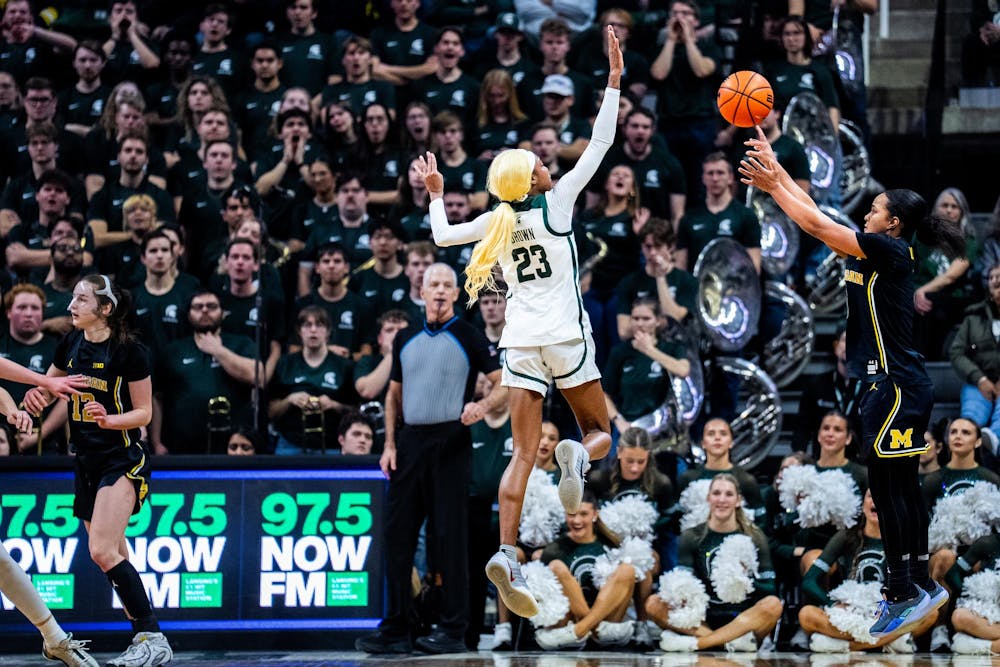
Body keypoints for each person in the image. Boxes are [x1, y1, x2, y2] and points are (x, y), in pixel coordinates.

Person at [413, 25, 623, 620]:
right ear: (533, 181)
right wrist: (611, 79)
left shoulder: (496, 222)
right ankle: (580, 457)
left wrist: (436, 190)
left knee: (522, 456)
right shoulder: (557, 205)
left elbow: (441, 234)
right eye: (539, 163)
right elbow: (601, 143)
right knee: (596, 432)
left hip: (519, 344)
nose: (547, 163)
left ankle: (506, 553)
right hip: (566, 339)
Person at [740, 126, 967, 635]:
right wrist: (777, 170)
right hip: (894, 385)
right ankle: (916, 582)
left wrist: (773, 185)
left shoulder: (888, 252)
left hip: (895, 385)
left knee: (889, 491)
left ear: (894, 224)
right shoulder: (879, 249)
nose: (866, 214)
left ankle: (901, 589)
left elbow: (819, 227)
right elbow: (819, 215)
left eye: (874, 210)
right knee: (898, 488)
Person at [354, 263, 505, 654]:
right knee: (397, 537)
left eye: (446, 286)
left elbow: (505, 382)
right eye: (433, 284)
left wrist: (482, 405)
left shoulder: (468, 335)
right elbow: (393, 394)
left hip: (450, 441)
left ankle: (453, 629)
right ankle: (396, 628)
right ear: (421, 291)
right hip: (409, 443)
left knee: (448, 538)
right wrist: (389, 445)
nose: (439, 291)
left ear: (456, 294)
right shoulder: (404, 337)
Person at [23, 274, 173, 666]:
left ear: (105, 309)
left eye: (81, 300)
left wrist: (109, 420)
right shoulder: (70, 342)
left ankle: (153, 638)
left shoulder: (130, 350)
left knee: (103, 550)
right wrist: (34, 398)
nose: (71, 306)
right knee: (114, 552)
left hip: (121, 457)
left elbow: (145, 413)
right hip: (85, 459)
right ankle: (146, 639)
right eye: (72, 298)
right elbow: (47, 387)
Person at [648, 474, 783, 652]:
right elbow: (685, 582)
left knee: (773, 604)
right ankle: (726, 642)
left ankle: (700, 644)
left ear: (738, 500)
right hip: (703, 619)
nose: (722, 500)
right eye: (716, 493)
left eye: (728, 494)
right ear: (708, 498)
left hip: (743, 619)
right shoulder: (691, 536)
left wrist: (745, 580)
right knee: (653, 603)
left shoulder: (755, 536)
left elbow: (770, 588)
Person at [798, 490, 935, 652]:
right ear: (863, 505)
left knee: (931, 612)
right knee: (806, 614)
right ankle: (887, 642)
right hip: (850, 613)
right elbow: (809, 581)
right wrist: (833, 603)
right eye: (871, 496)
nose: (876, 502)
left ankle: (844, 645)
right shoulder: (846, 536)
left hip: (887, 613)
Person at [532, 489, 643, 650]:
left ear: (595, 515)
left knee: (627, 569)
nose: (577, 520)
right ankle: (592, 629)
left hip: (608, 620)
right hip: (570, 621)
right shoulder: (554, 550)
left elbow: (622, 589)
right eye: (572, 514)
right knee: (556, 567)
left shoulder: (610, 545)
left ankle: (583, 630)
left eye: (583, 514)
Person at [950, 263, 1000, 451]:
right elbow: (956, 353)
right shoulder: (973, 316)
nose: (996, 280)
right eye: (993, 277)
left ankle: (991, 440)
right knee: (972, 416)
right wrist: (980, 379)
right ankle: (973, 442)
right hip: (978, 382)